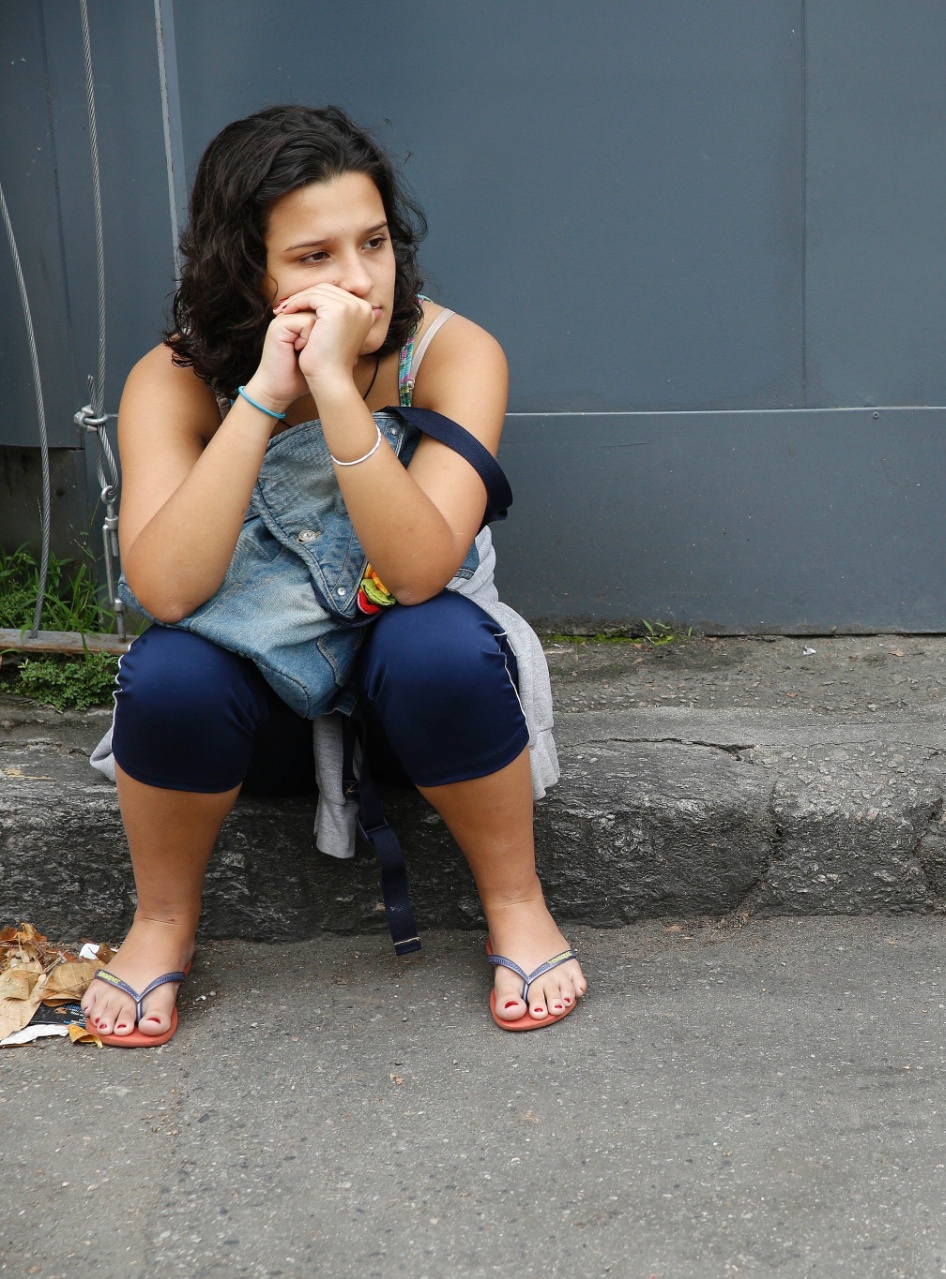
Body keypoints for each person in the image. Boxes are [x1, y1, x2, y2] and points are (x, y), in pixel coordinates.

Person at [80, 105, 584, 1044]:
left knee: (436, 641)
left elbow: (422, 565)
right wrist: (268, 395)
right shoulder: (175, 380)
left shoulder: (454, 353)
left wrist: (343, 391)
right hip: (256, 721)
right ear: (247, 269)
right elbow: (170, 590)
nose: (361, 281)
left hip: (422, 716)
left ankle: (517, 905)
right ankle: (161, 923)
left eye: (375, 242)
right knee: (170, 669)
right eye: (315, 257)